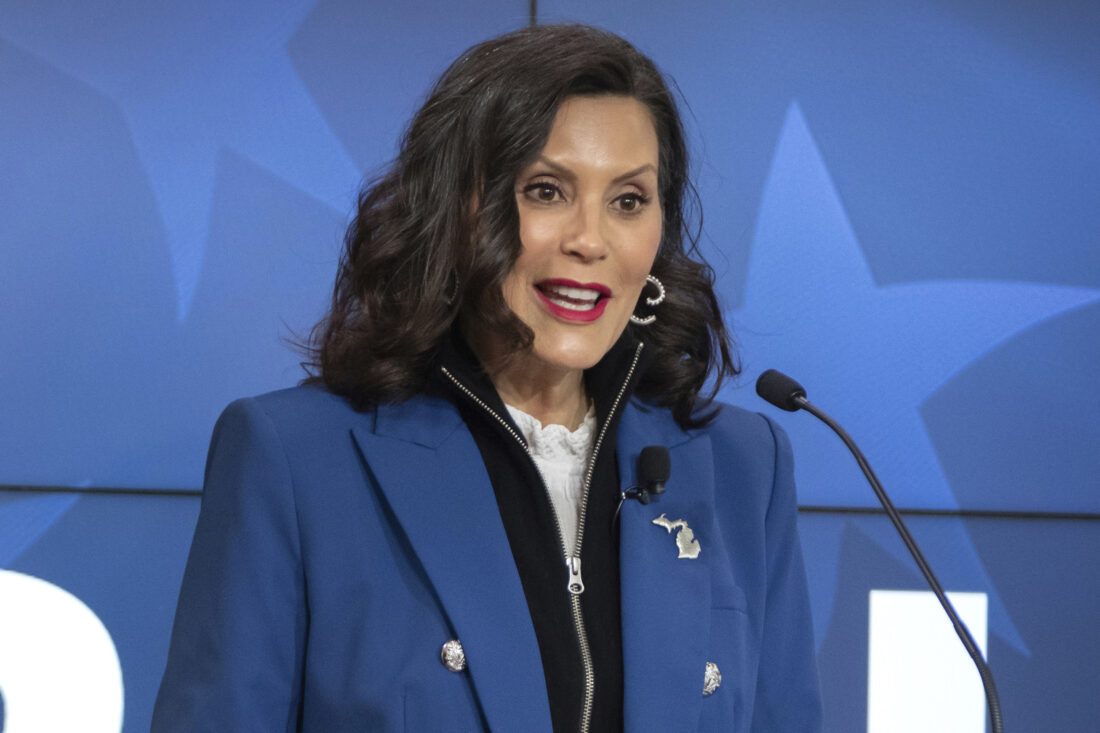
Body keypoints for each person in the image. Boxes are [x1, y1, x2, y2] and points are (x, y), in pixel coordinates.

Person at [152, 24, 821, 732]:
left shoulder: (743, 468)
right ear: (455, 211)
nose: (590, 240)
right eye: (546, 191)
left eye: (628, 200)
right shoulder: (296, 460)